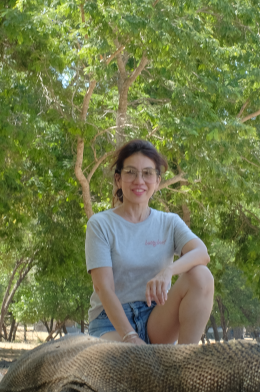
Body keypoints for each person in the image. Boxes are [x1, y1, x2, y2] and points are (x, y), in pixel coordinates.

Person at [86, 139, 214, 345]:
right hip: (110, 322)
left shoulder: (170, 222)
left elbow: (201, 253)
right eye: (130, 172)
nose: (139, 180)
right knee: (136, 365)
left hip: (157, 317)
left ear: (157, 180)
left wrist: (167, 272)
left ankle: (183, 364)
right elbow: (104, 289)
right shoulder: (100, 224)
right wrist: (131, 337)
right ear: (118, 180)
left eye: (147, 173)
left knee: (201, 275)